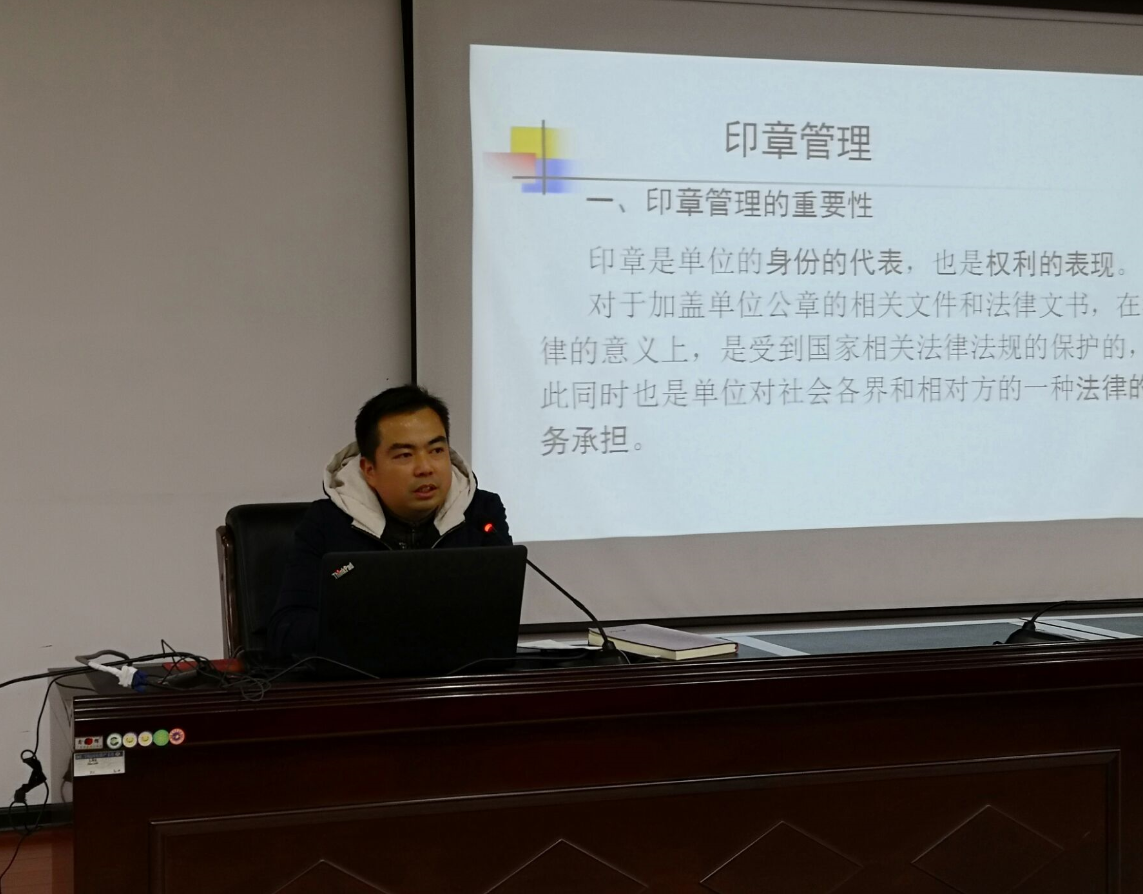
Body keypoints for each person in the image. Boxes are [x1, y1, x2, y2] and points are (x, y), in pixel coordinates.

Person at [267, 385, 510, 656]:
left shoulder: (482, 514)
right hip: (363, 679)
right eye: (405, 455)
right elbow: (286, 631)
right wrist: (380, 626)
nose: (425, 468)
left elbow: (498, 621)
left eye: (436, 450)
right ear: (369, 470)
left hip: (459, 678)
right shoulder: (327, 523)